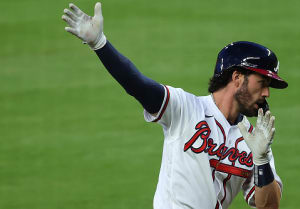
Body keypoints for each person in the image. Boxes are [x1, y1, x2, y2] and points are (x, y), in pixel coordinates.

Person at [62, 2, 288, 209]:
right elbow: (138, 85)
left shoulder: (256, 141)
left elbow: (269, 206)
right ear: (237, 77)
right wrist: (100, 44)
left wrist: (262, 161)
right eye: (262, 83)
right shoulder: (185, 109)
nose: (267, 93)